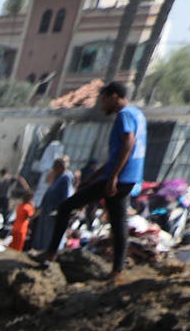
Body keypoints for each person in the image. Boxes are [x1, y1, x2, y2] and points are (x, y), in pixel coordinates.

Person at [46, 82, 145, 283]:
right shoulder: (138, 114)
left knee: (66, 207)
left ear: (114, 96)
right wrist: (97, 175)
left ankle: (50, 254)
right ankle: (117, 270)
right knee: (118, 223)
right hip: (129, 177)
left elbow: (128, 143)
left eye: (103, 99)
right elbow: (121, 153)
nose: (101, 105)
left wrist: (113, 177)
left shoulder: (124, 115)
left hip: (121, 178)